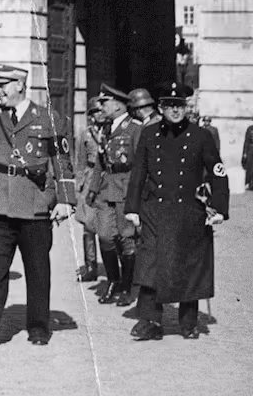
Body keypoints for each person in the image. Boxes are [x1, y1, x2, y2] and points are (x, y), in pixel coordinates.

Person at [0, 64, 76, 347]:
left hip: (34, 203)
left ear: (20, 85)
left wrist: (66, 200)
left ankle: (38, 327)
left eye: (3, 85)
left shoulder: (48, 117)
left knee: (37, 269)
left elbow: (62, 161)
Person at [125, 83, 228, 340]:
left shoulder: (201, 136)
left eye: (180, 106)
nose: (175, 110)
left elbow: (218, 172)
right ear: (160, 108)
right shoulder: (149, 134)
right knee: (149, 264)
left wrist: (219, 209)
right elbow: (138, 173)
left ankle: (188, 323)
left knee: (187, 266)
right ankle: (149, 321)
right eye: (169, 106)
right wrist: (132, 208)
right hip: (154, 210)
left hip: (188, 211)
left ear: (186, 108)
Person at [89, 84, 141, 306]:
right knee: (104, 236)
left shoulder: (135, 128)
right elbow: (100, 163)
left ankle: (126, 287)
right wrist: (92, 189)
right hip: (106, 188)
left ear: (118, 105)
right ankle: (113, 280)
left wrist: (138, 195)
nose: (101, 107)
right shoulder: (105, 129)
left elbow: (142, 164)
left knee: (127, 238)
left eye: (105, 102)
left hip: (126, 188)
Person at [74, 97, 106, 283]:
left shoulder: (111, 131)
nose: (99, 115)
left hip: (107, 178)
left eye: (101, 111)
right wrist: (78, 185)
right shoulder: (85, 134)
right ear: (91, 116)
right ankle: (91, 267)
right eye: (95, 112)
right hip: (89, 178)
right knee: (88, 225)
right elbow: (80, 160)